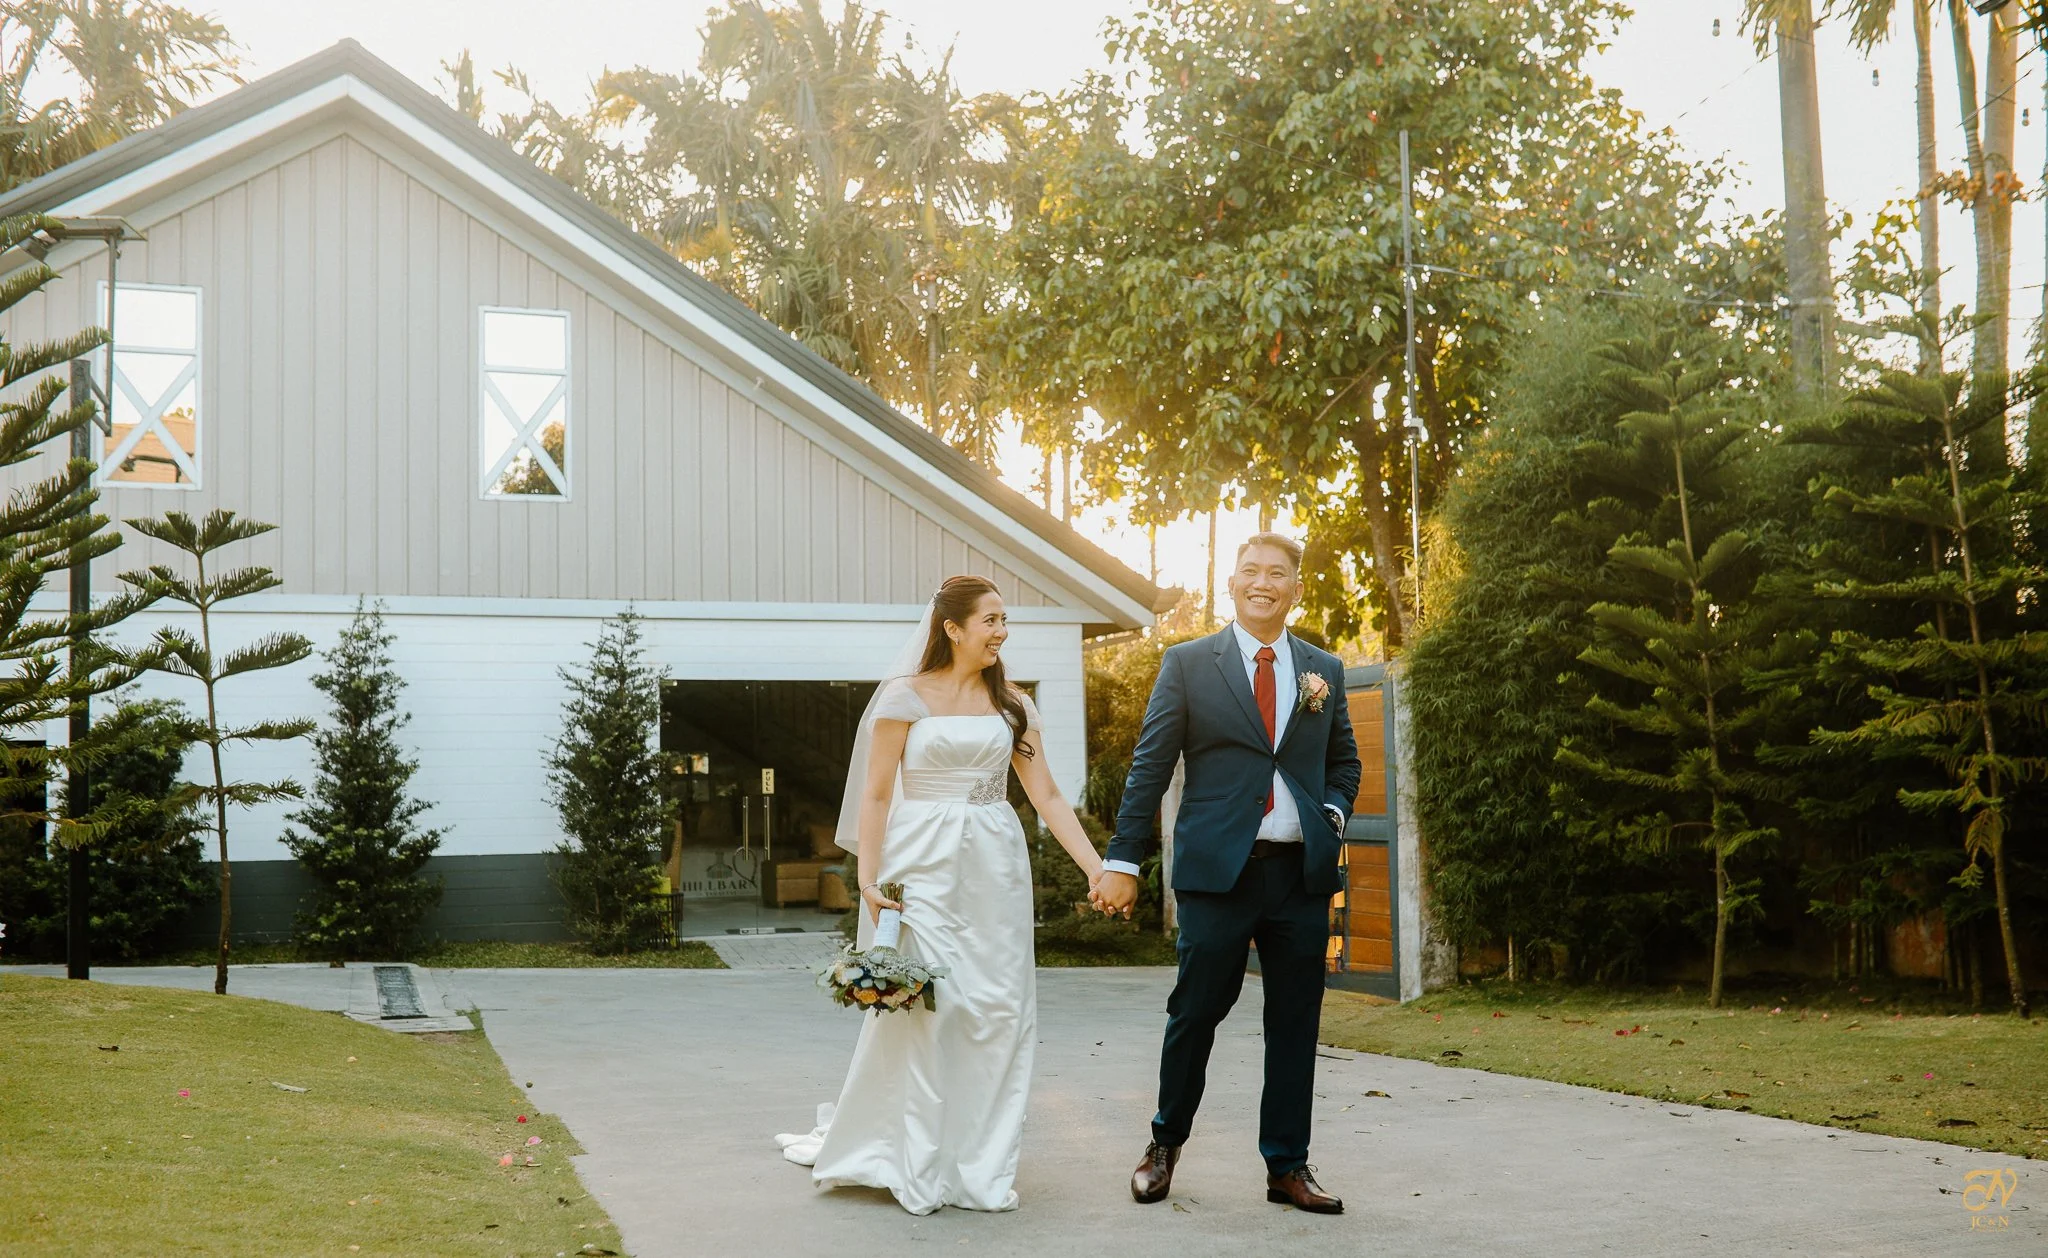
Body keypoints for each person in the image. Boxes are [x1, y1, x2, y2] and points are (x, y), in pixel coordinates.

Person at [775, 574, 1105, 1214]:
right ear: (952, 628)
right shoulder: (904, 697)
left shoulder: (1013, 705)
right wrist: (868, 881)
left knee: (996, 1008)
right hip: (919, 866)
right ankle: (918, 1156)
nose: (1001, 632)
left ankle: (979, 1160)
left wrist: (1096, 868)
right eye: (990, 620)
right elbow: (876, 795)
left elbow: (1045, 794)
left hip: (994, 868)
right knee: (929, 1007)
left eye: (1004, 620)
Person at [1092, 532, 1361, 1214]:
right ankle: (1164, 1145)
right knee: (1196, 1012)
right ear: (1232, 583)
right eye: (1251, 571)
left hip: (1299, 877)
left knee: (1295, 1022)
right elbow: (1151, 766)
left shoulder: (1323, 669)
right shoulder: (1188, 664)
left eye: (1278, 573)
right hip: (1218, 875)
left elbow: (1345, 762)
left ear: (1295, 587)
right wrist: (1122, 859)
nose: (1263, 582)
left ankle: (1287, 1166)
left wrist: (1330, 814)